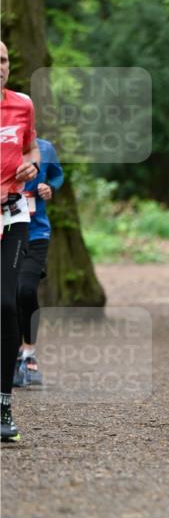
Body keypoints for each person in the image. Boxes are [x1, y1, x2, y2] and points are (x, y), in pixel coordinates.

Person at [0, 41, 40, 442]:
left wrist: (31, 166)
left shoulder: (22, 105)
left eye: (4, 60)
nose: (0, 67)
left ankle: (3, 403)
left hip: (13, 215)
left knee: (7, 302)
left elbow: (30, 147)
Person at [14, 137, 64, 386]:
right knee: (7, 296)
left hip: (36, 233)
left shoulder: (44, 148)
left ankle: (29, 353)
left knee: (26, 290)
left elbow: (57, 175)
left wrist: (49, 187)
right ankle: (12, 355)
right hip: (6, 231)